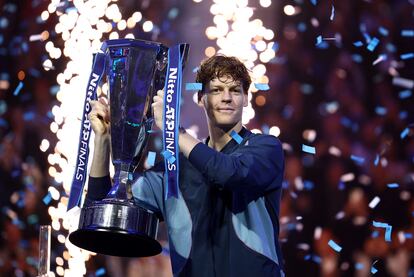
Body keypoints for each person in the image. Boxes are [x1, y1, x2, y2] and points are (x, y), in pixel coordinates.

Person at [87, 55, 285, 277]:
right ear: (201, 99)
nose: (227, 98)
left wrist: (174, 130)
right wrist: (102, 141)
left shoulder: (265, 148)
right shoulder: (173, 171)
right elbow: (103, 210)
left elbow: (228, 173)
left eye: (235, 90)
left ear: (246, 99)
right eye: (217, 90)